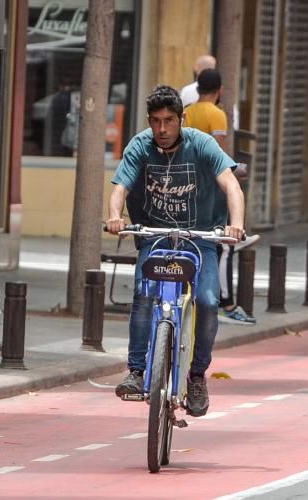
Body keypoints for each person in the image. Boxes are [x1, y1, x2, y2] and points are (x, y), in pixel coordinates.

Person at [106, 85, 246, 417]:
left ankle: (197, 375)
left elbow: (230, 184)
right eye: (156, 121)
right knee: (143, 294)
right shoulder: (141, 145)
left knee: (209, 302)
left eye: (170, 120)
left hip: (200, 238)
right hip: (155, 237)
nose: (163, 129)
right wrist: (114, 216)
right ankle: (137, 370)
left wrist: (235, 224)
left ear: (182, 118)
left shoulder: (202, 144)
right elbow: (120, 187)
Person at [184, 69, 259, 324]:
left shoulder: (187, 111)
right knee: (224, 246)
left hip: (184, 185)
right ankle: (227, 302)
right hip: (209, 186)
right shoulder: (217, 115)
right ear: (220, 90)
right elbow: (220, 152)